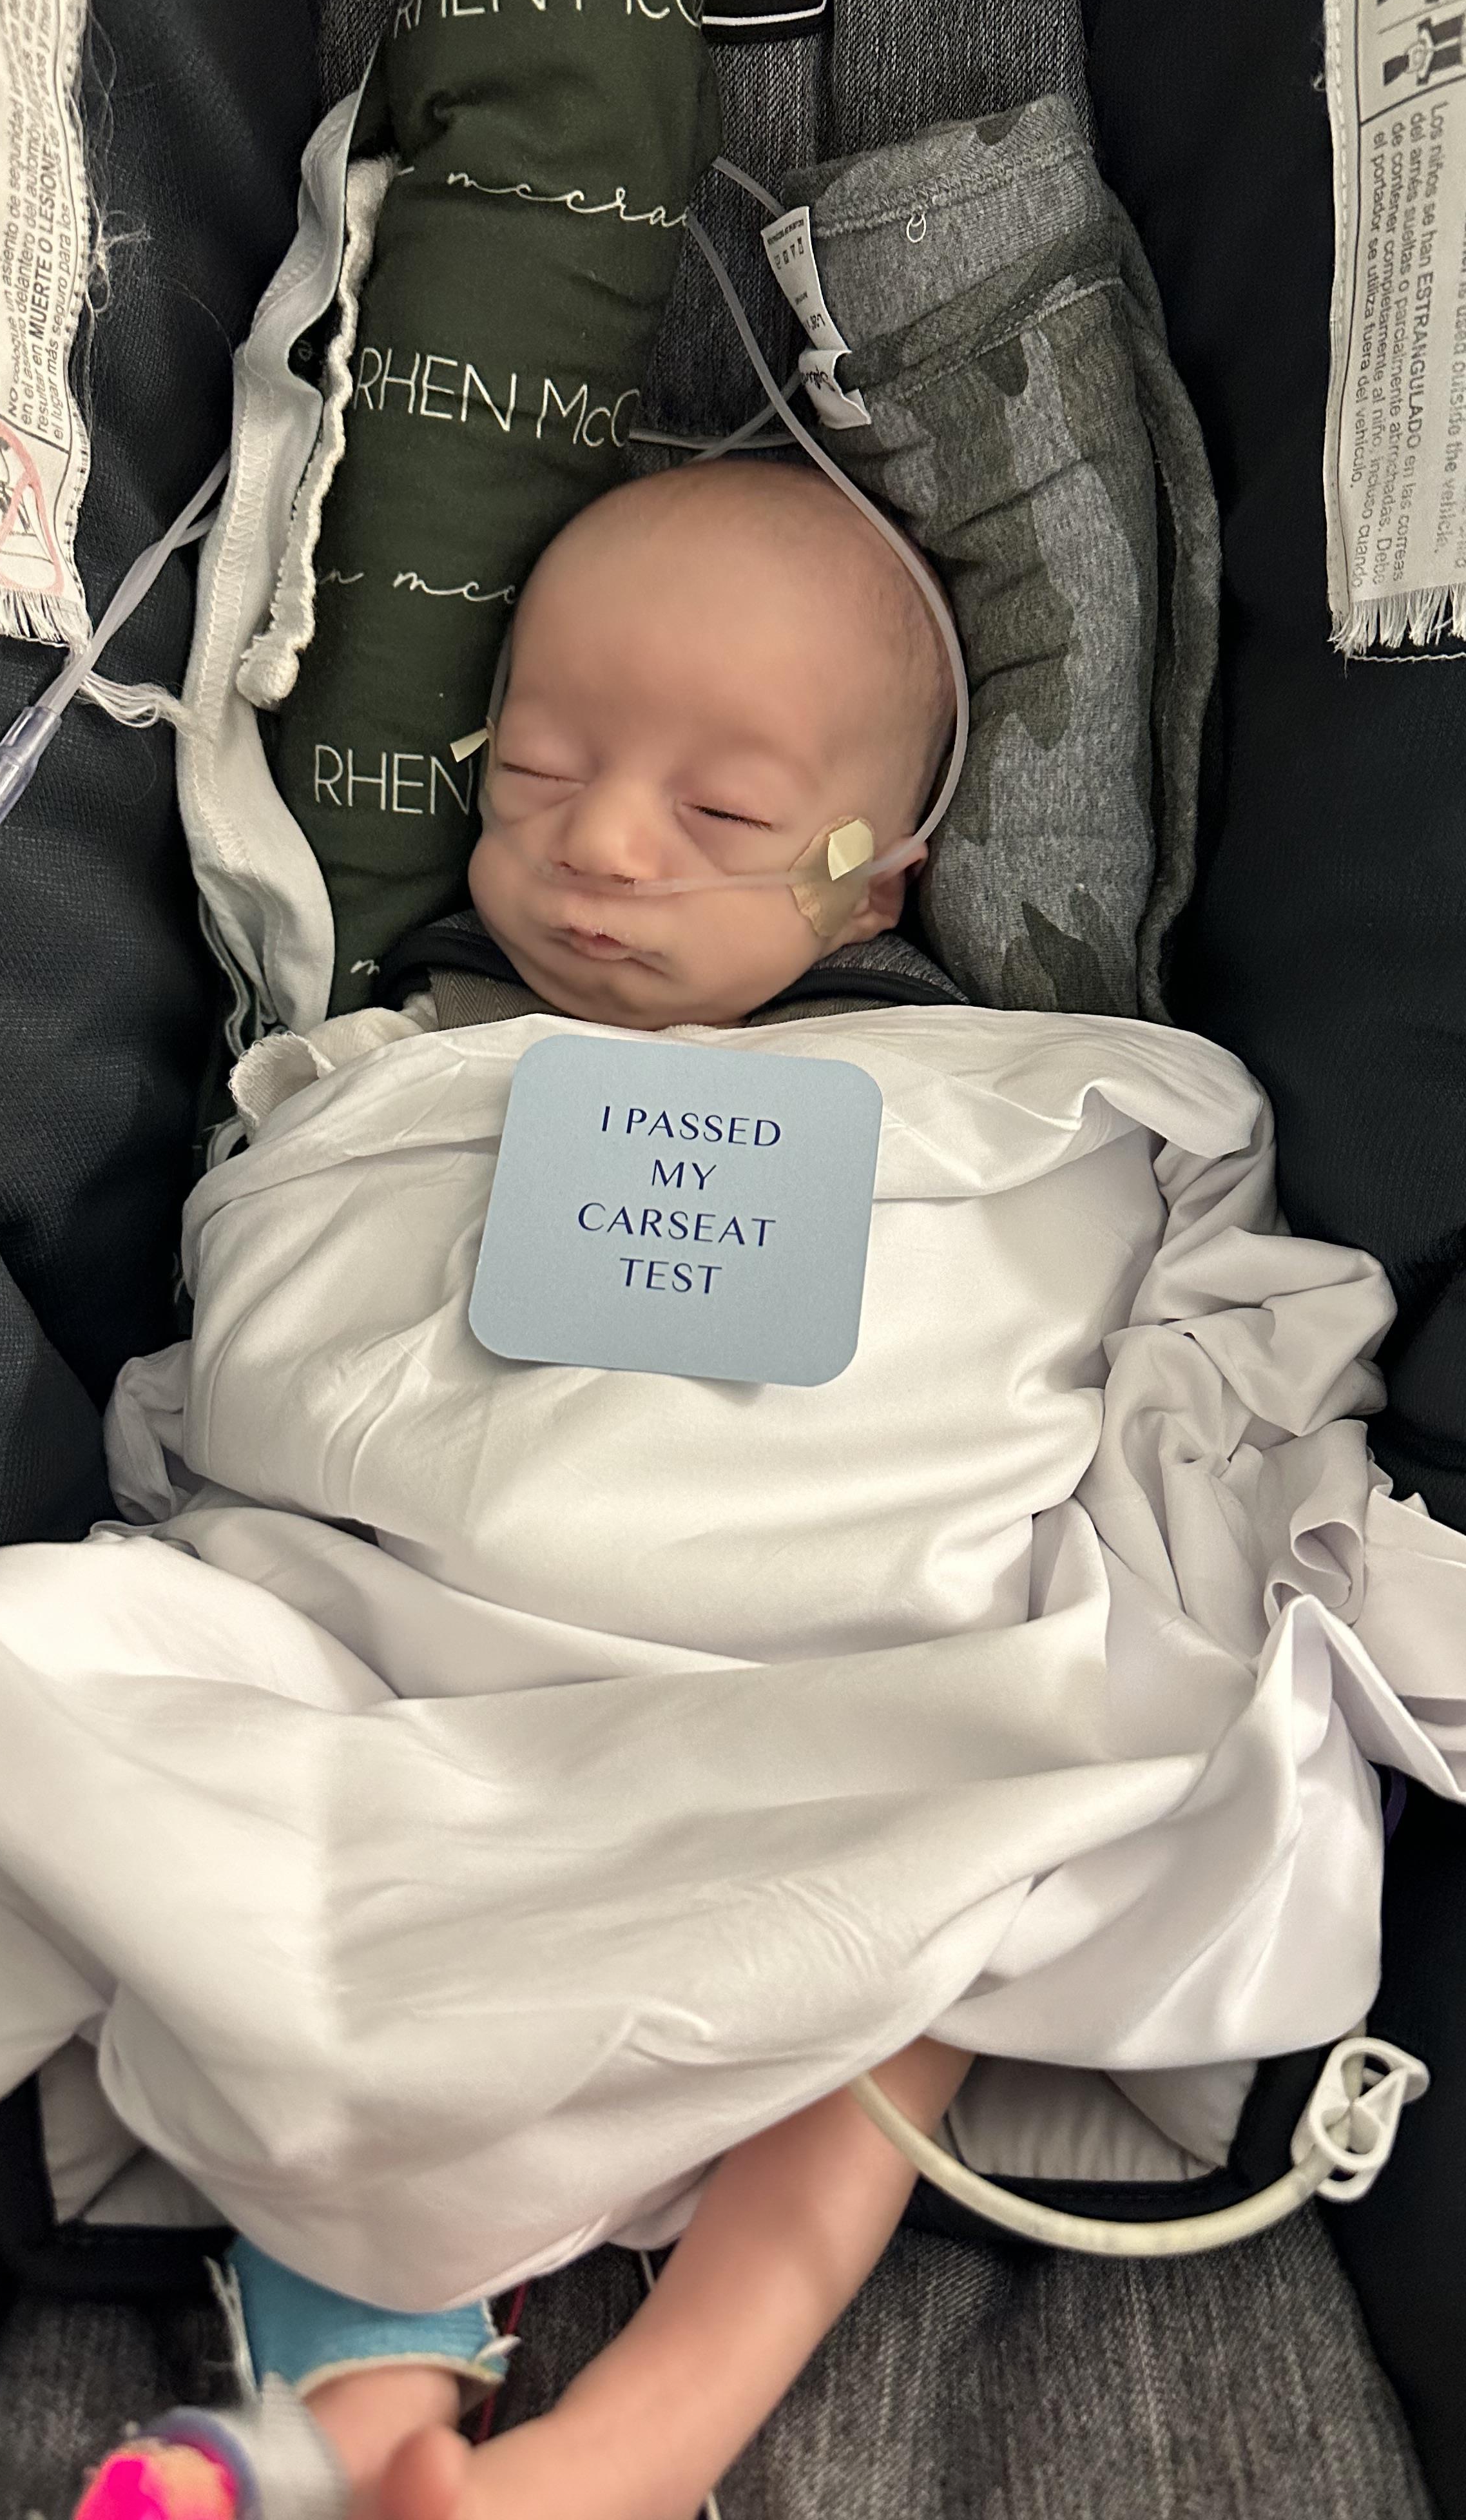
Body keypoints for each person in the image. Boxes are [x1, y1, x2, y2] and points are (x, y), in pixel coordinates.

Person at [86, 458, 985, 2520]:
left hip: (811, 1689)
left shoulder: (972, 1113)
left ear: (876, 886)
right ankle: (355, 2407)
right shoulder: (388, 1070)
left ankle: (651, 2435)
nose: (598, 844)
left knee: (963, 1898)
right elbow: (276, 1341)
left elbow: (1040, 1360)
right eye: (535, 771)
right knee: (280, 1840)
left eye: (726, 816)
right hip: (429, 1674)